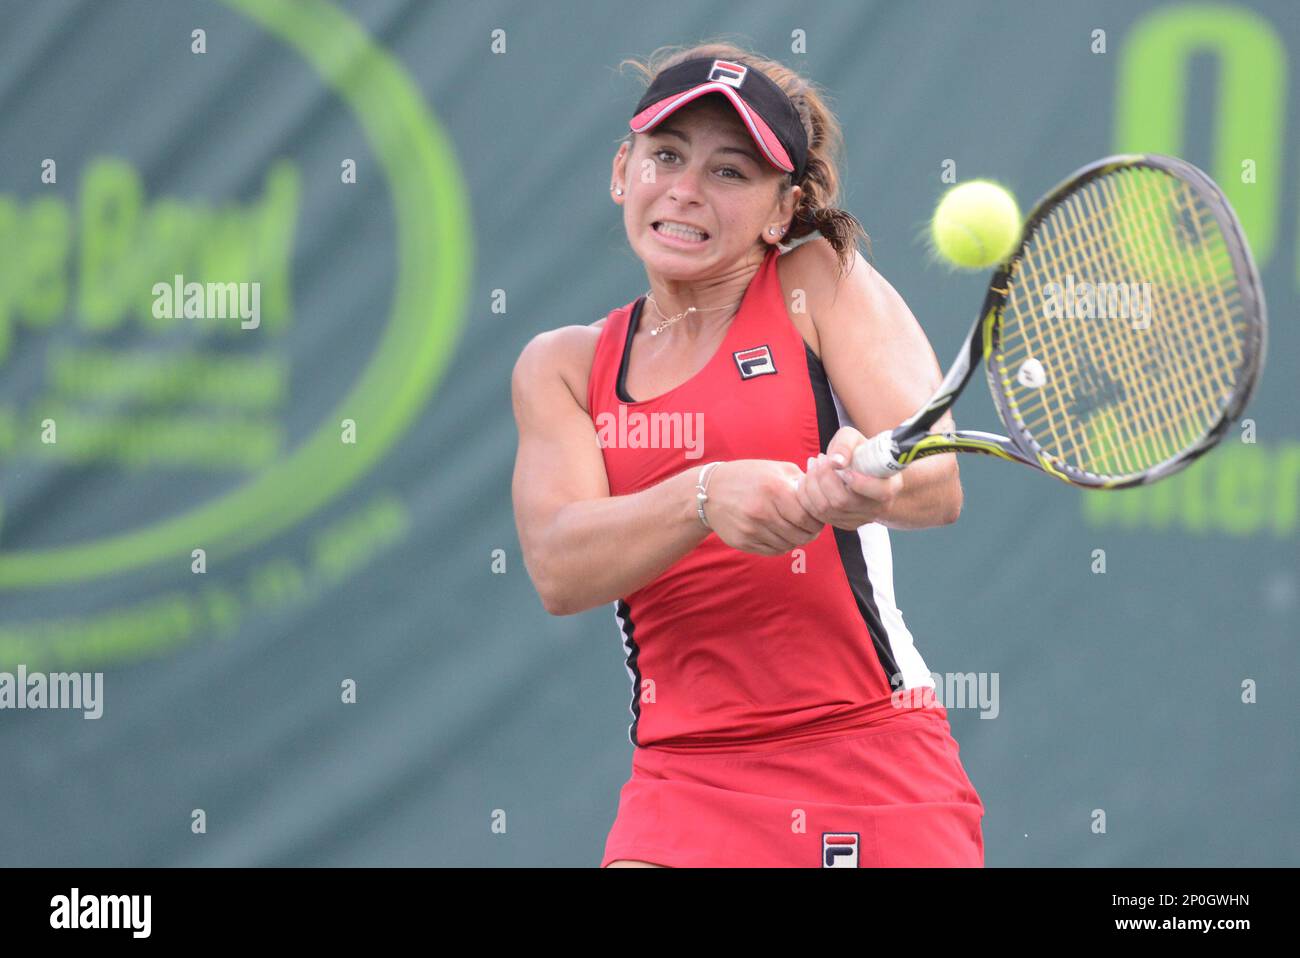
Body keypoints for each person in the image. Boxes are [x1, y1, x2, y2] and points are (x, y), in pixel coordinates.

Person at [510, 43, 985, 868]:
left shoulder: (818, 279)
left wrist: (859, 489)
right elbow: (559, 565)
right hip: (684, 780)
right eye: (666, 156)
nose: (686, 190)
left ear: (781, 209)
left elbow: (936, 482)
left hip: (871, 754)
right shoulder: (562, 368)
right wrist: (704, 494)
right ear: (623, 170)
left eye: (730, 173)